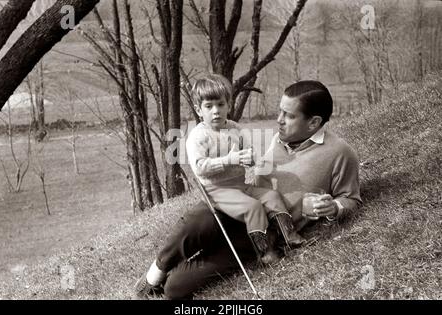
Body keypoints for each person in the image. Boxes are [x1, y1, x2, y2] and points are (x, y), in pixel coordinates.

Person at [134, 80, 362, 300]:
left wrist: (334, 207)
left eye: (289, 116)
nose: (279, 120)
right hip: (238, 209)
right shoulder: (279, 139)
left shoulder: (341, 153)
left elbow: (350, 199)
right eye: (280, 112)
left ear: (313, 123)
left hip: (262, 233)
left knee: (175, 289)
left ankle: (170, 276)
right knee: (200, 218)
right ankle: (156, 272)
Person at [185, 74, 303, 264]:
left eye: (220, 104)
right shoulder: (198, 136)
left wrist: (250, 159)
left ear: (228, 106)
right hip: (217, 191)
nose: (216, 111)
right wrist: (229, 160)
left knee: (271, 196)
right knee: (252, 207)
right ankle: (265, 252)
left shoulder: (235, 128)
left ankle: (289, 235)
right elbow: (199, 167)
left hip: (241, 184)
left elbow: (249, 153)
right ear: (199, 110)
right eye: (209, 106)